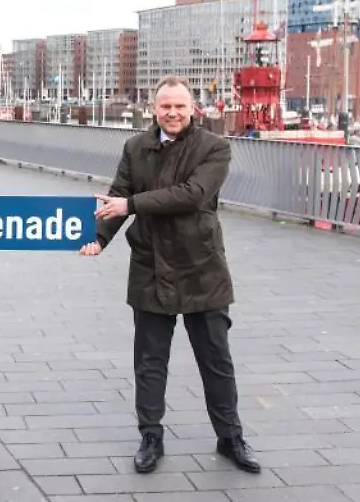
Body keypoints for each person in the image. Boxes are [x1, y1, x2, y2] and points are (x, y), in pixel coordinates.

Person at [80, 75, 260, 475]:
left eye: (180, 106)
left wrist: (130, 205)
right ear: (154, 109)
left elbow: (193, 195)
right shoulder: (135, 147)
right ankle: (150, 437)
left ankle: (230, 437)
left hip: (201, 267)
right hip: (150, 265)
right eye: (166, 106)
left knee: (216, 360)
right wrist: (98, 238)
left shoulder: (214, 147)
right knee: (149, 362)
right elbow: (117, 195)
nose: (173, 113)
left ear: (192, 108)